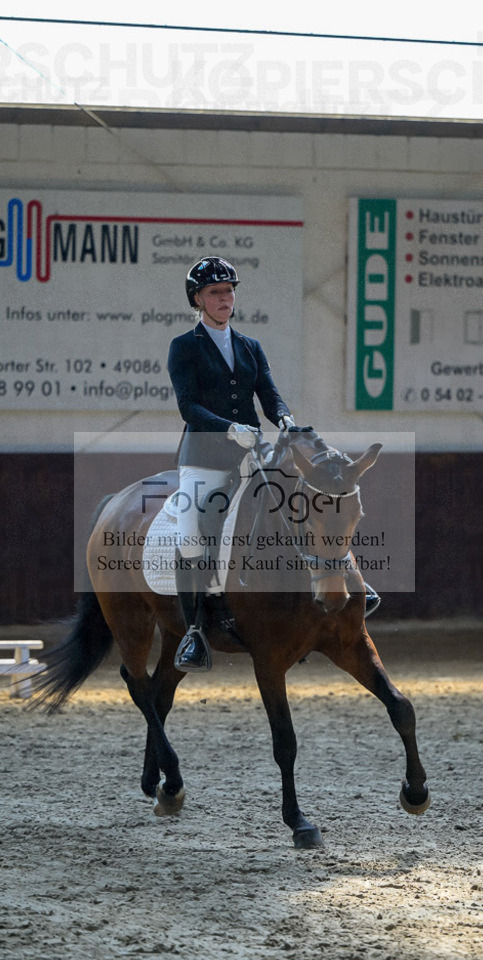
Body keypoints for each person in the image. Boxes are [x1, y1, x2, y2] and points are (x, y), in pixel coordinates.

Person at [167, 256, 295, 671]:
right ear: (198, 300)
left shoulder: (250, 346)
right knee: (191, 533)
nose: (225, 298)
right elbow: (189, 407)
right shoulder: (184, 347)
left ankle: (321, 596)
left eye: (229, 291)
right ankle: (193, 632)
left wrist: (286, 419)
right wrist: (229, 428)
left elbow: (269, 395)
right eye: (215, 293)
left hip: (250, 454)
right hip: (203, 458)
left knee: (295, 507)